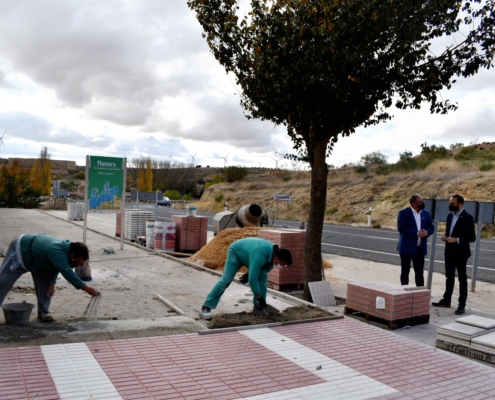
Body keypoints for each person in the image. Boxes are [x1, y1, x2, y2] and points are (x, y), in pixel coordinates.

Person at [0, 234, 101, 322]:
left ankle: (43, 313)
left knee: (46, 285)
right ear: (73, 254)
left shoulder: (66, 252)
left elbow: (55, 267)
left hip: (39, 261)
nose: (81, 263)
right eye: (80, 260)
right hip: (20, 251)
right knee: (2, 280)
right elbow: (67, 272)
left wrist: (52, 284)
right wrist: (87, 289)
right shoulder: (57, 250)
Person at [201, 237, 292, 320]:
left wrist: (250, 274)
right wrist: (259, 297)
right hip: (236, 252)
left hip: (250, 255)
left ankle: (258, 307)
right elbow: (252, 279)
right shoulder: (260, 254)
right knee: (226, 280)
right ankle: (206, 306)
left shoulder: (276, 255)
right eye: (281, 264)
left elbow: (262, 271)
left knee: (263, 280)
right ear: (276, 258)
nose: (280, 266)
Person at [432, 195, 476, 315]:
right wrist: (446, 237)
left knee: (462, 279)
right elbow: (449, 231)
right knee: (449, 277)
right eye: (450, 203)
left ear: (460, 204)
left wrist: (456, 239)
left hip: (461, 253)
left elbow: (472, 237)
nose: (450, 205)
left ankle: (461, 304)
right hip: (449, 251)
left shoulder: (468, 217)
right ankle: (447, 299)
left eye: (452, 203)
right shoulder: (450, 216)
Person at [397, 194, 434, 287]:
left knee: (419, 273)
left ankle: (420, 293)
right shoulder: (404, 213)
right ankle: (404, 292)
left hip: (420, 248)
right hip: (406, 248)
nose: (422, 204)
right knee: (405, 271)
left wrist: (426, 232)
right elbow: (401, 228)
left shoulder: (426, 213)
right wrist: (417, 233)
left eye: (423, 201)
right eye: (420, 202)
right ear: (413, 204)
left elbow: (431, 227)